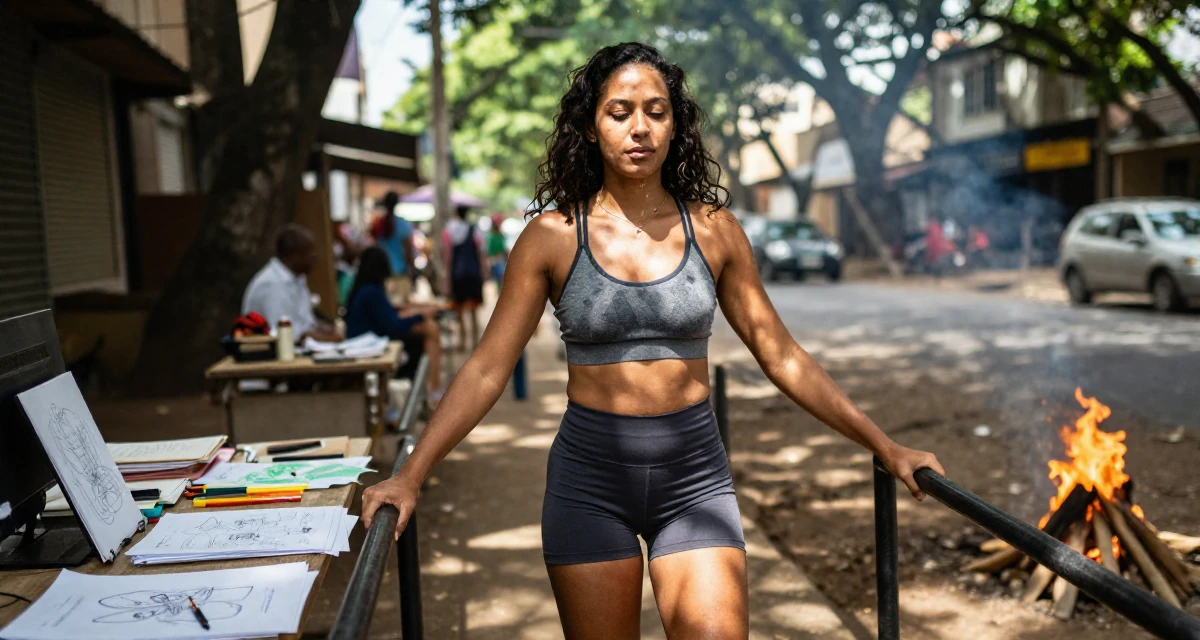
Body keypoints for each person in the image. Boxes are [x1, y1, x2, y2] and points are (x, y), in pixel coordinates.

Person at [361, 43, 942, 638]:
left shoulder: (715, 231)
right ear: (590, 127)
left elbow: (782, 354)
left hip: (694, 479)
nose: (639, 127)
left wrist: (884, 444)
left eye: (656, 111)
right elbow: (487, 368)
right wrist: (410, 475)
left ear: (675, 125)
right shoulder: (552, 237)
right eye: (619, 112)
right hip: (589, 481)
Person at [345, 246, 445, 405]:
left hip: (370, 339)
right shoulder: (371, 292)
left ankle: (432, 389)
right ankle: (433, 389)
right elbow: (392, 326)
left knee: (428, 328)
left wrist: (413, 314)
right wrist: (420, 315)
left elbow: (388, 318)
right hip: (369, 344)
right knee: (429, 329)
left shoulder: (366, 290)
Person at [242, 224, 341, 341]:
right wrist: (313, 336)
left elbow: (305, 322)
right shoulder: (272, 284)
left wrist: (324, 329)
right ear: (291, 256)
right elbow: (282, 334)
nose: (315, 257)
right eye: (309, 252)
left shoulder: (297, 278)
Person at [442, 205, 488, 352]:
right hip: (473, 274)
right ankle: (475, 342)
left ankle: (462, 342)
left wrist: (447, 278)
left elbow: (448, 257)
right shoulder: (475, 230)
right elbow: (481, 254)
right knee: (473, 309)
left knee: (459, 309)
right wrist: (484, 272)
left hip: (458, 275)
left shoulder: (450, 230)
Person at [370, 191, 416, 304]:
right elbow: (408, 250)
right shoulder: (402, 224)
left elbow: (375, 247)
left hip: (383, 274)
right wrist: (412, 270)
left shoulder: (378, 224)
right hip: (400, 273)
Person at [486, 214, 509, 290]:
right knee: (498, 281)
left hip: (501, 259)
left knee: (502, 281)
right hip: (495, 260)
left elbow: (504, 248)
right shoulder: (490, 236)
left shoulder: (501, 235)